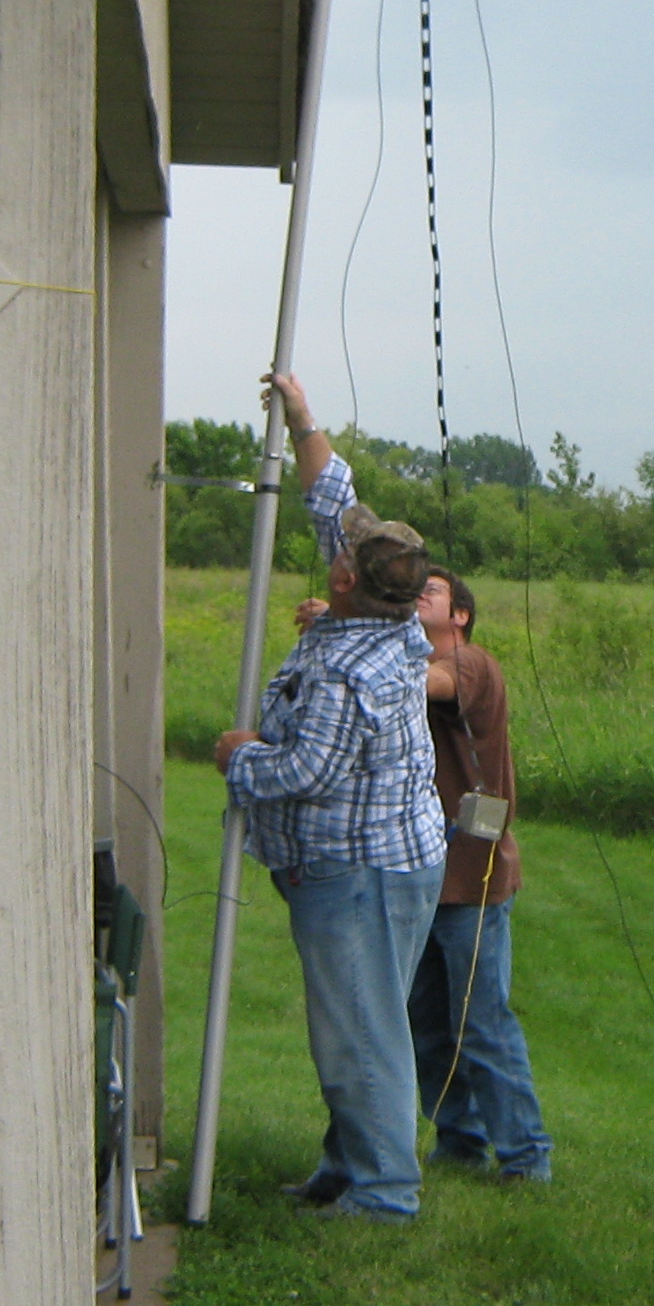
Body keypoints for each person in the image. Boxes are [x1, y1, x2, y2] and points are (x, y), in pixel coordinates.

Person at [214, 371, 447, 1220]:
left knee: (362, 1032)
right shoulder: (384, 618)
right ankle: (349, 1166)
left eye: (342, 551)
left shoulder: (351, 670)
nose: (335, 546)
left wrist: (240, 757)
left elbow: (305, 773)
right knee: (357, 1021)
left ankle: (384, 1192)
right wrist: (302, 419)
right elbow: (333, 499)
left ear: (347, 581)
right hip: (387, 861)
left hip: (360, 872)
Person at [408, 564, 552, 1181]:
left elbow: (430, 683)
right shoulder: (412, 659)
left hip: (473, 878)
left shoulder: (471, 663)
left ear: (460, 616)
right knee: (429, 1025)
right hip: (420, 878)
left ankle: (526, 1157)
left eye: (432, 591)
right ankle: (459, 1142)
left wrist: (351, 635)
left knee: (483, 1024)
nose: (419, 594)